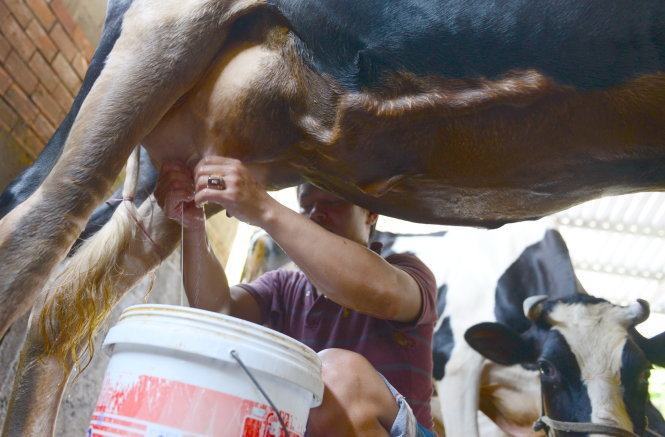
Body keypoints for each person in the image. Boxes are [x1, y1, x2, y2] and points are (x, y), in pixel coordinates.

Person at [155, 156, 438, 437]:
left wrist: (263, 207)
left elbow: (378, 292)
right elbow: (219, 310)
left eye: (332, 202)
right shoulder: (284, 285)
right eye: (307, 206)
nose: (316, 213)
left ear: (370, 213)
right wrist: (193, 227)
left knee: (335, 378)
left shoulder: (407, 272)